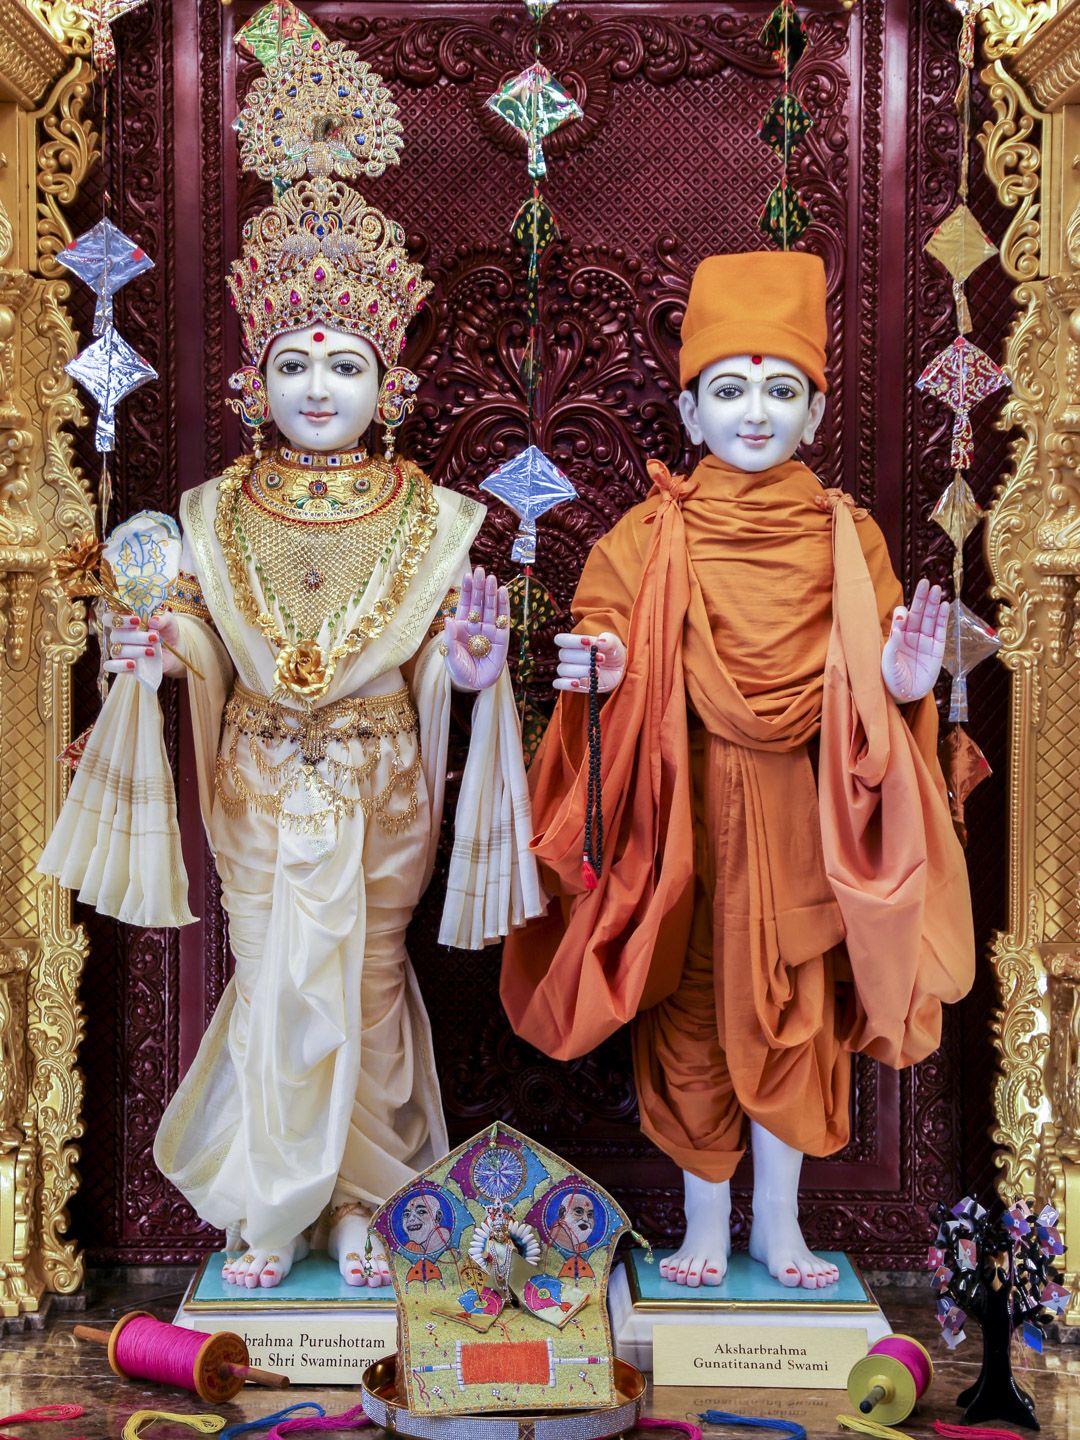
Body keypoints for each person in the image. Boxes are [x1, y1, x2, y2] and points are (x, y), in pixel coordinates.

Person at [42, 167, 542, 1291]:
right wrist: (163, 650)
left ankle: (366, 1197)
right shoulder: (213, 513)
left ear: (390, 382)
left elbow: (428, 655)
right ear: (254, 379)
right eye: (295, 364)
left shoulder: (440, 519)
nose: (320, 388)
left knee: (362, 981)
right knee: (271, 979)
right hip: (257, 779)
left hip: (384, 783)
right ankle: (275, 1202)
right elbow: (208, 641)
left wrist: (463, 672)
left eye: (346, 364)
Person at [501, 251, 975, 1291]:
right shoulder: (644, 537)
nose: (753, 413)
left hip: (805, 825)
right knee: (692, 1020)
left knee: (798, 1015)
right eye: (729, 389)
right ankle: (705, 1226)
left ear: (811, 414)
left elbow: (881, 693)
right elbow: (601, 651)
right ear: (690, 409)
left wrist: (895, 681)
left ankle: (782, 1230)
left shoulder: (848, 540)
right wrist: (608, 673)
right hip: (683, 822)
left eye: (778, 391)